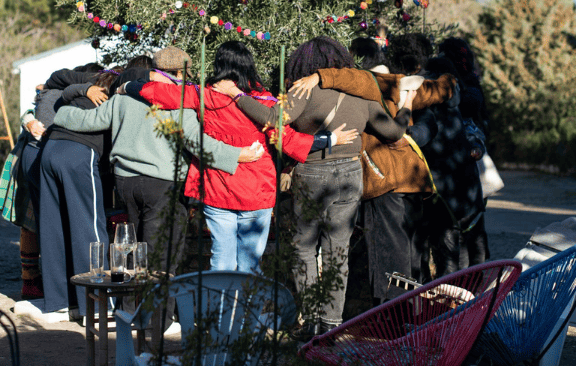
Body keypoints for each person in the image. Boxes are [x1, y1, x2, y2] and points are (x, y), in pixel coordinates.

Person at [213, 36, 413, 335]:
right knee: (338, 252)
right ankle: (332, 324)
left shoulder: (304, 89)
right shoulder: (362, 95)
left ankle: (311, 322)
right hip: (350, 175)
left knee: (304, 248)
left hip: (313, 173)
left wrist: (237, 95)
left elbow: (271, 118)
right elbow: (394, 132)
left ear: (304, 63)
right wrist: (407, 104)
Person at [53, 57, 263, 331]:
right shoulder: (177, 102)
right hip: (164, 184)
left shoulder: (122, 98)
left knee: (135, 253)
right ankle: (157, 322)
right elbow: (196, 142)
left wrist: (59, 113)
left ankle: (130, 313)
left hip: (126, 183)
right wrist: (237, 155)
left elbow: (86, 120)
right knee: (162, 257)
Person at [121, 42, 356, 274]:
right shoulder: (264, 103)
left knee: (221, 262)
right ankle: (250, 313)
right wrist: (330, 139)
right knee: (250, 265)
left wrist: (127, 85)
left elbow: (159, 93)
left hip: (218, 190)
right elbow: (289, 141)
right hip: (256, 193)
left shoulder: (202, 95)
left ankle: (222, 312)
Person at [288, 52, 457, 302]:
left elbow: (357, 78)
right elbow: (435, 91)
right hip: (411, 180)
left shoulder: (367, 83)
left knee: (389, 256)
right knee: (410, 254)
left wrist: (318, 76)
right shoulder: (397, 86)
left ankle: (390, 319)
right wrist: (450, 81)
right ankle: (410, 316)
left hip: (384, 181)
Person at [27, 68, 115, 322]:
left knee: (54, 229)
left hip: (49, 151)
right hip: (79, 153)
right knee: (90, 229)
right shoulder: (116, 93)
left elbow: (58, 82)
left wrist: (82, 89)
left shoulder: (79, 89)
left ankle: (59, 304)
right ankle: (97, 308)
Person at [438, 37, 492, 266]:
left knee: (462, 224)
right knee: (474, 222)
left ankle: (469, 277)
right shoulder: (472, 82)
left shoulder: (462, 87)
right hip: (475, 154)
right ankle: (478, 275)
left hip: (463, 156)